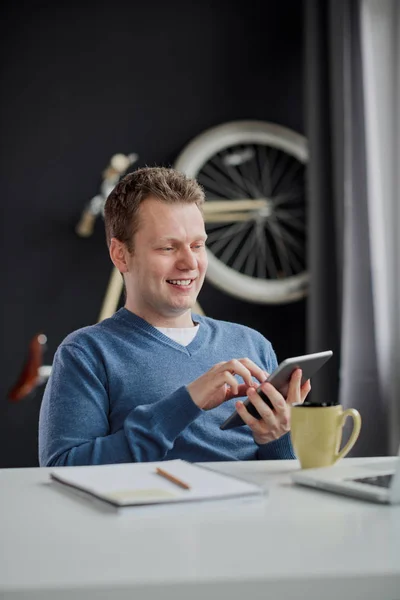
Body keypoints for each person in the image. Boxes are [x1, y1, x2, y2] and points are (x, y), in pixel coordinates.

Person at [39, 167, 310, 466]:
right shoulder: (86, 353)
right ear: (120, 254)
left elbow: (280, 477)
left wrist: (278, 436)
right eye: (168, 248)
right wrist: (187, 402)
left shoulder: (252, 344)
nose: (190, 263)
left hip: (249, 511)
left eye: (197, 245)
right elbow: (61, 470)